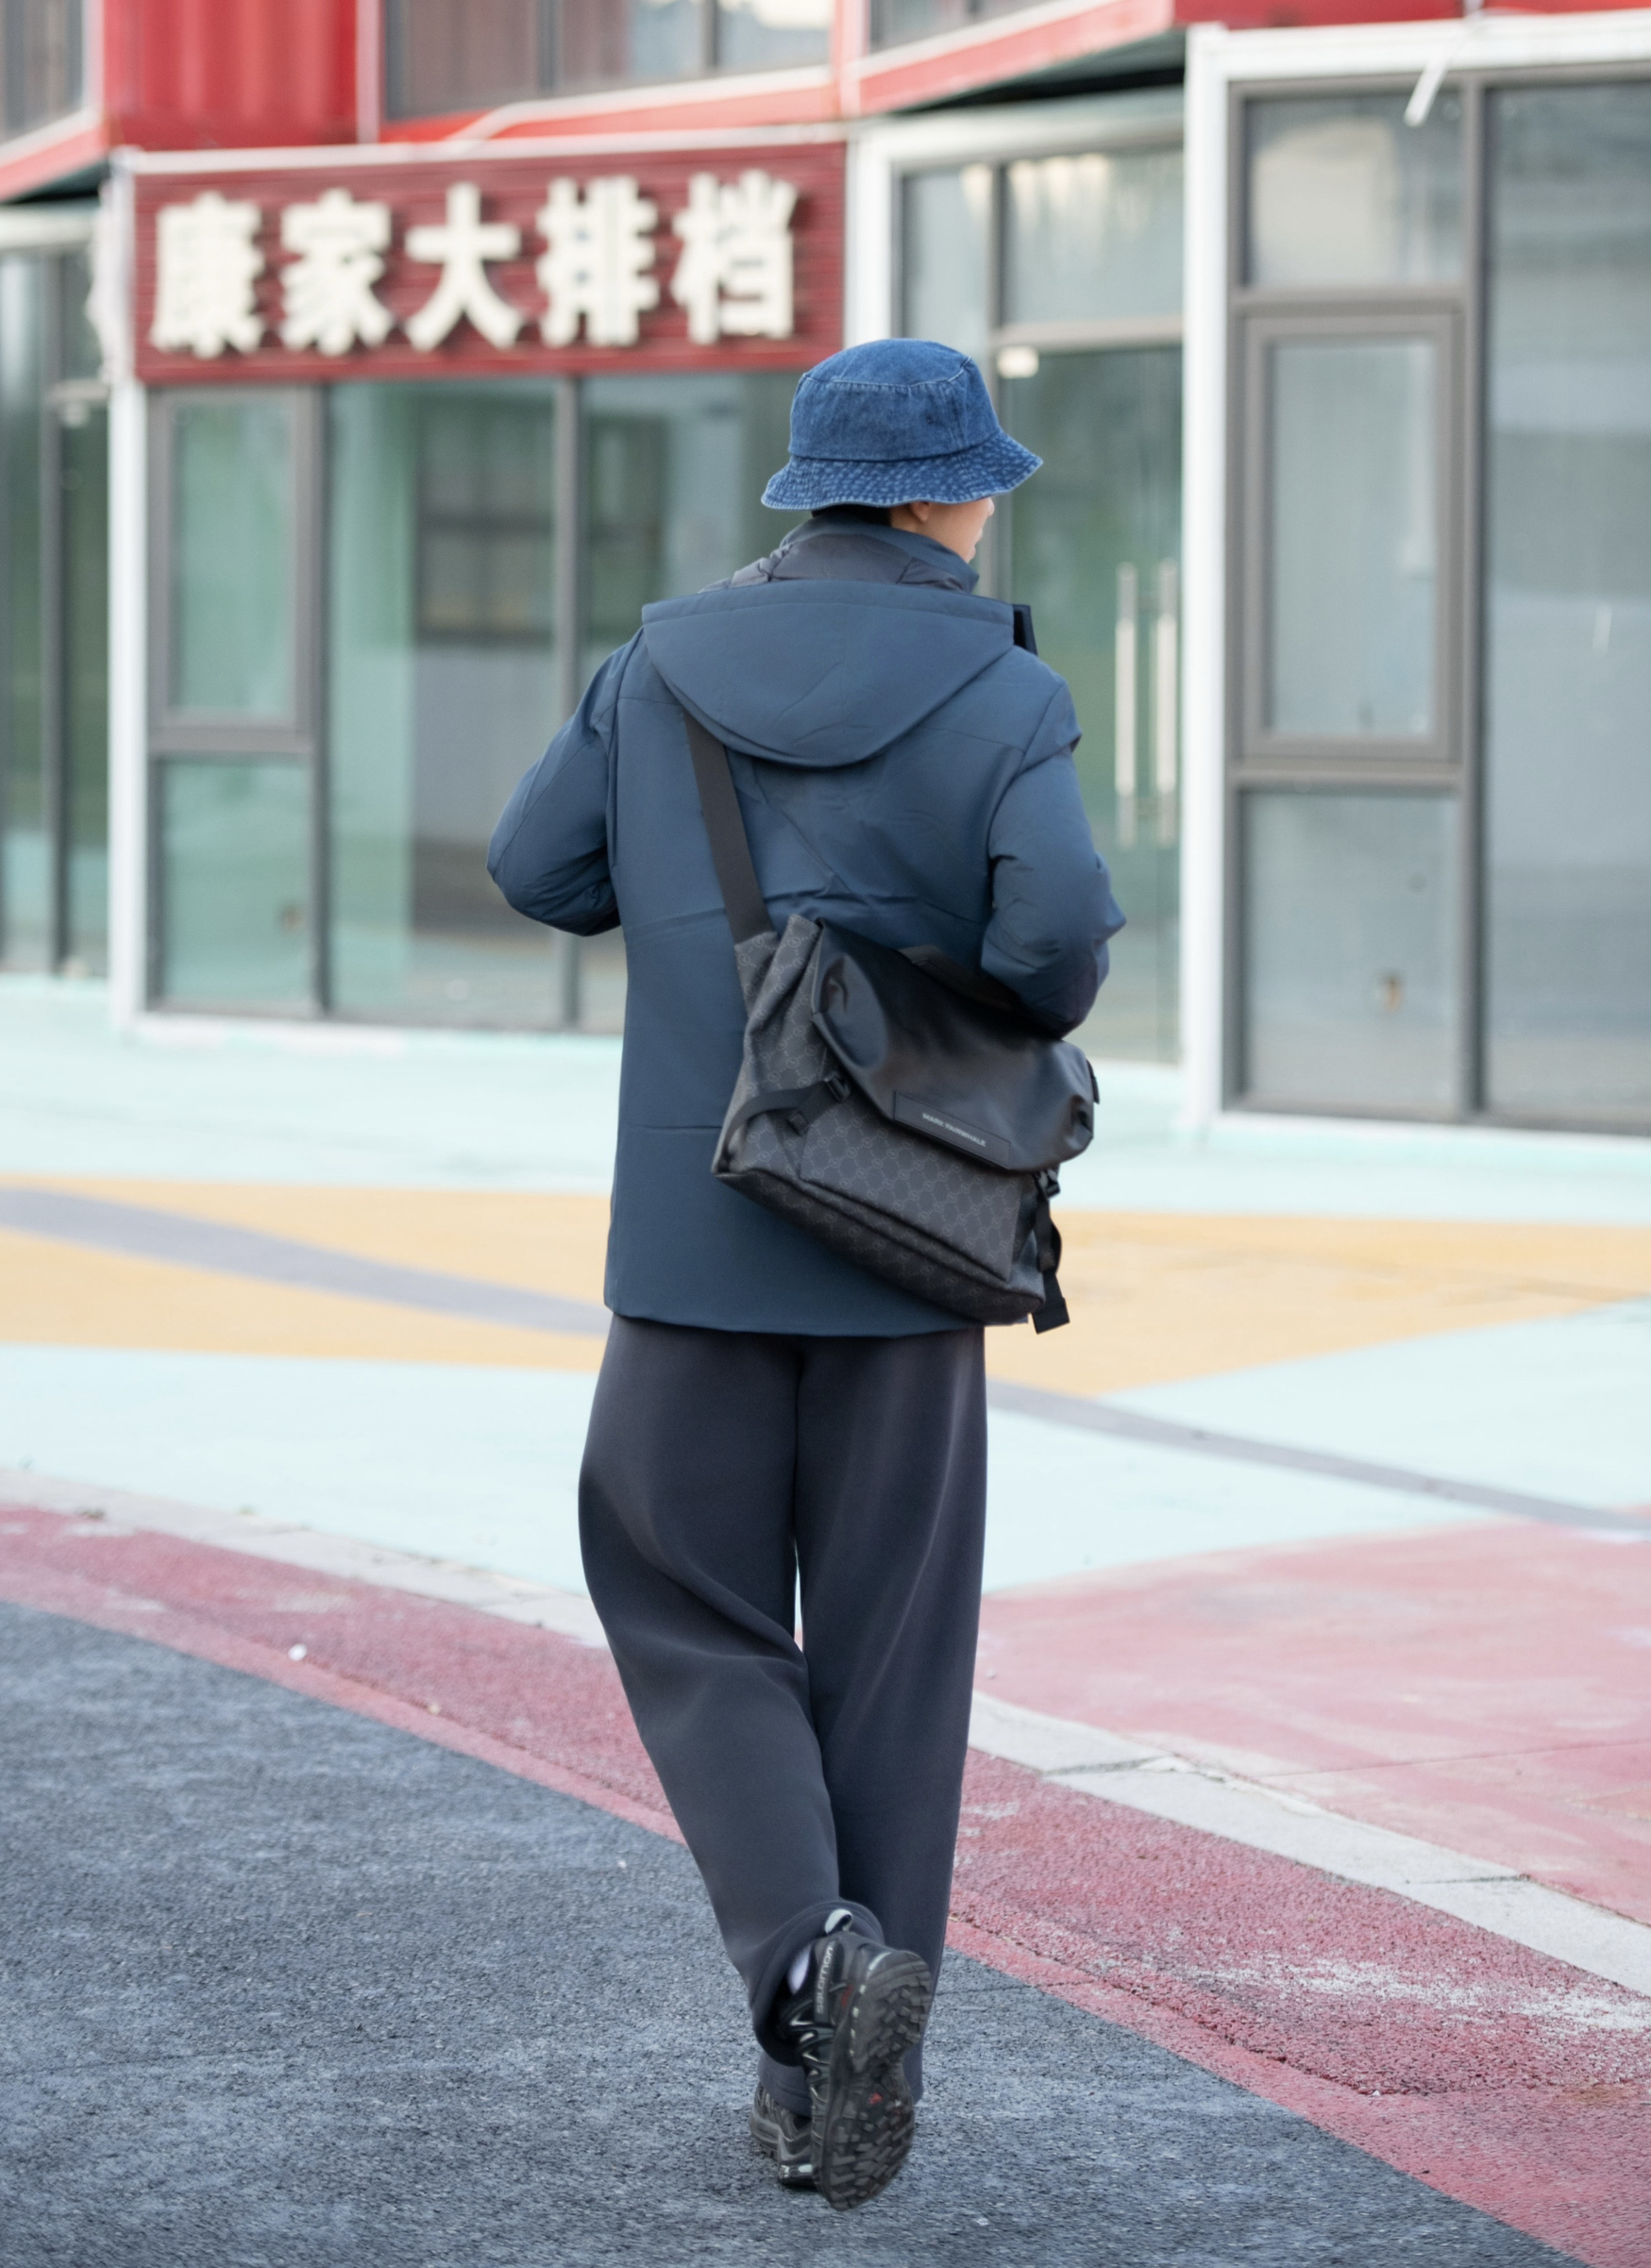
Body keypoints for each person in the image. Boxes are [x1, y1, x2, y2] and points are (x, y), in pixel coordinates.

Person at [488, 338, 1120, 2210]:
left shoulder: (658, 662)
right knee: (892, 1665)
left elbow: (537, 869)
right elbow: (1057, 948)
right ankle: (837, 2094)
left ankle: (803, 1965)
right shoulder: (1005, 686)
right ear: (952, 495)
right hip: (908, 1236)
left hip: (694, 1237)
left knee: (682, 1599)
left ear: (808, 490)